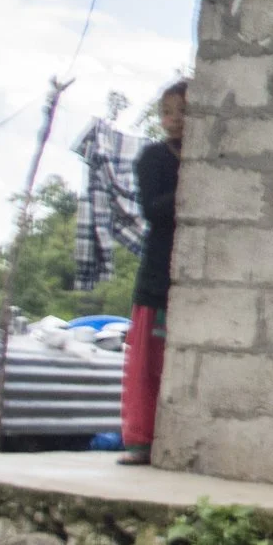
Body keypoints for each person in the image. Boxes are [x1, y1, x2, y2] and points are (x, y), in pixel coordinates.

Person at [119, 79, 186, 465]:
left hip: (190, 281)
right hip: (158, 276)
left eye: (183, 113)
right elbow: (152, 209)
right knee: (146, 365)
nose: (174, 121)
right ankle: (140, 439)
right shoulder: (154, 158)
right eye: (167, 113)